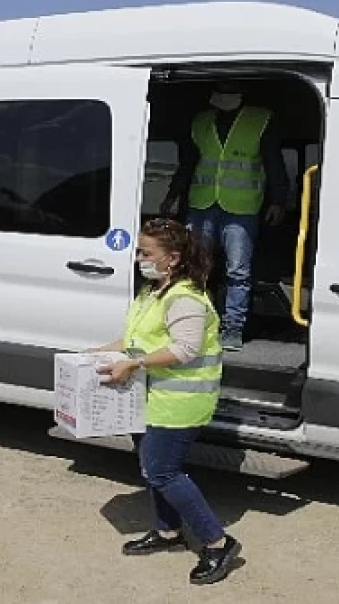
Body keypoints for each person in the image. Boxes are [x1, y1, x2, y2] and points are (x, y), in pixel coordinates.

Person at [90, 218, 242, 585]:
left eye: (146, 252)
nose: (139, 257)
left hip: (178, 403)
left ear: (172, 258)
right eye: (139, 251)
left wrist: (135, 363)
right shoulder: (153, 291)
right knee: (150, 467)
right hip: (148, 396)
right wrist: (93, 355)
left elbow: (185, 349)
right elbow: (132, 339)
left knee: (162, 471)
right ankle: (168, 531)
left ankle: (217, 542)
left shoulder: (185, 297)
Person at [160, 80, 289, 351]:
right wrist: (173, 195)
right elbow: (188, 164)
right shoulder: (201, 121)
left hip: (242, 209)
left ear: (243, 91)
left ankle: (232, 329)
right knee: (194, 268)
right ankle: (192, 322)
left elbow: (273, 162)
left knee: (238, 271)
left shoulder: (260, 120)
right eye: (219, 88)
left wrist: (279, 200)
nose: (222, 92)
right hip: (201, 204)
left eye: (229, 88)